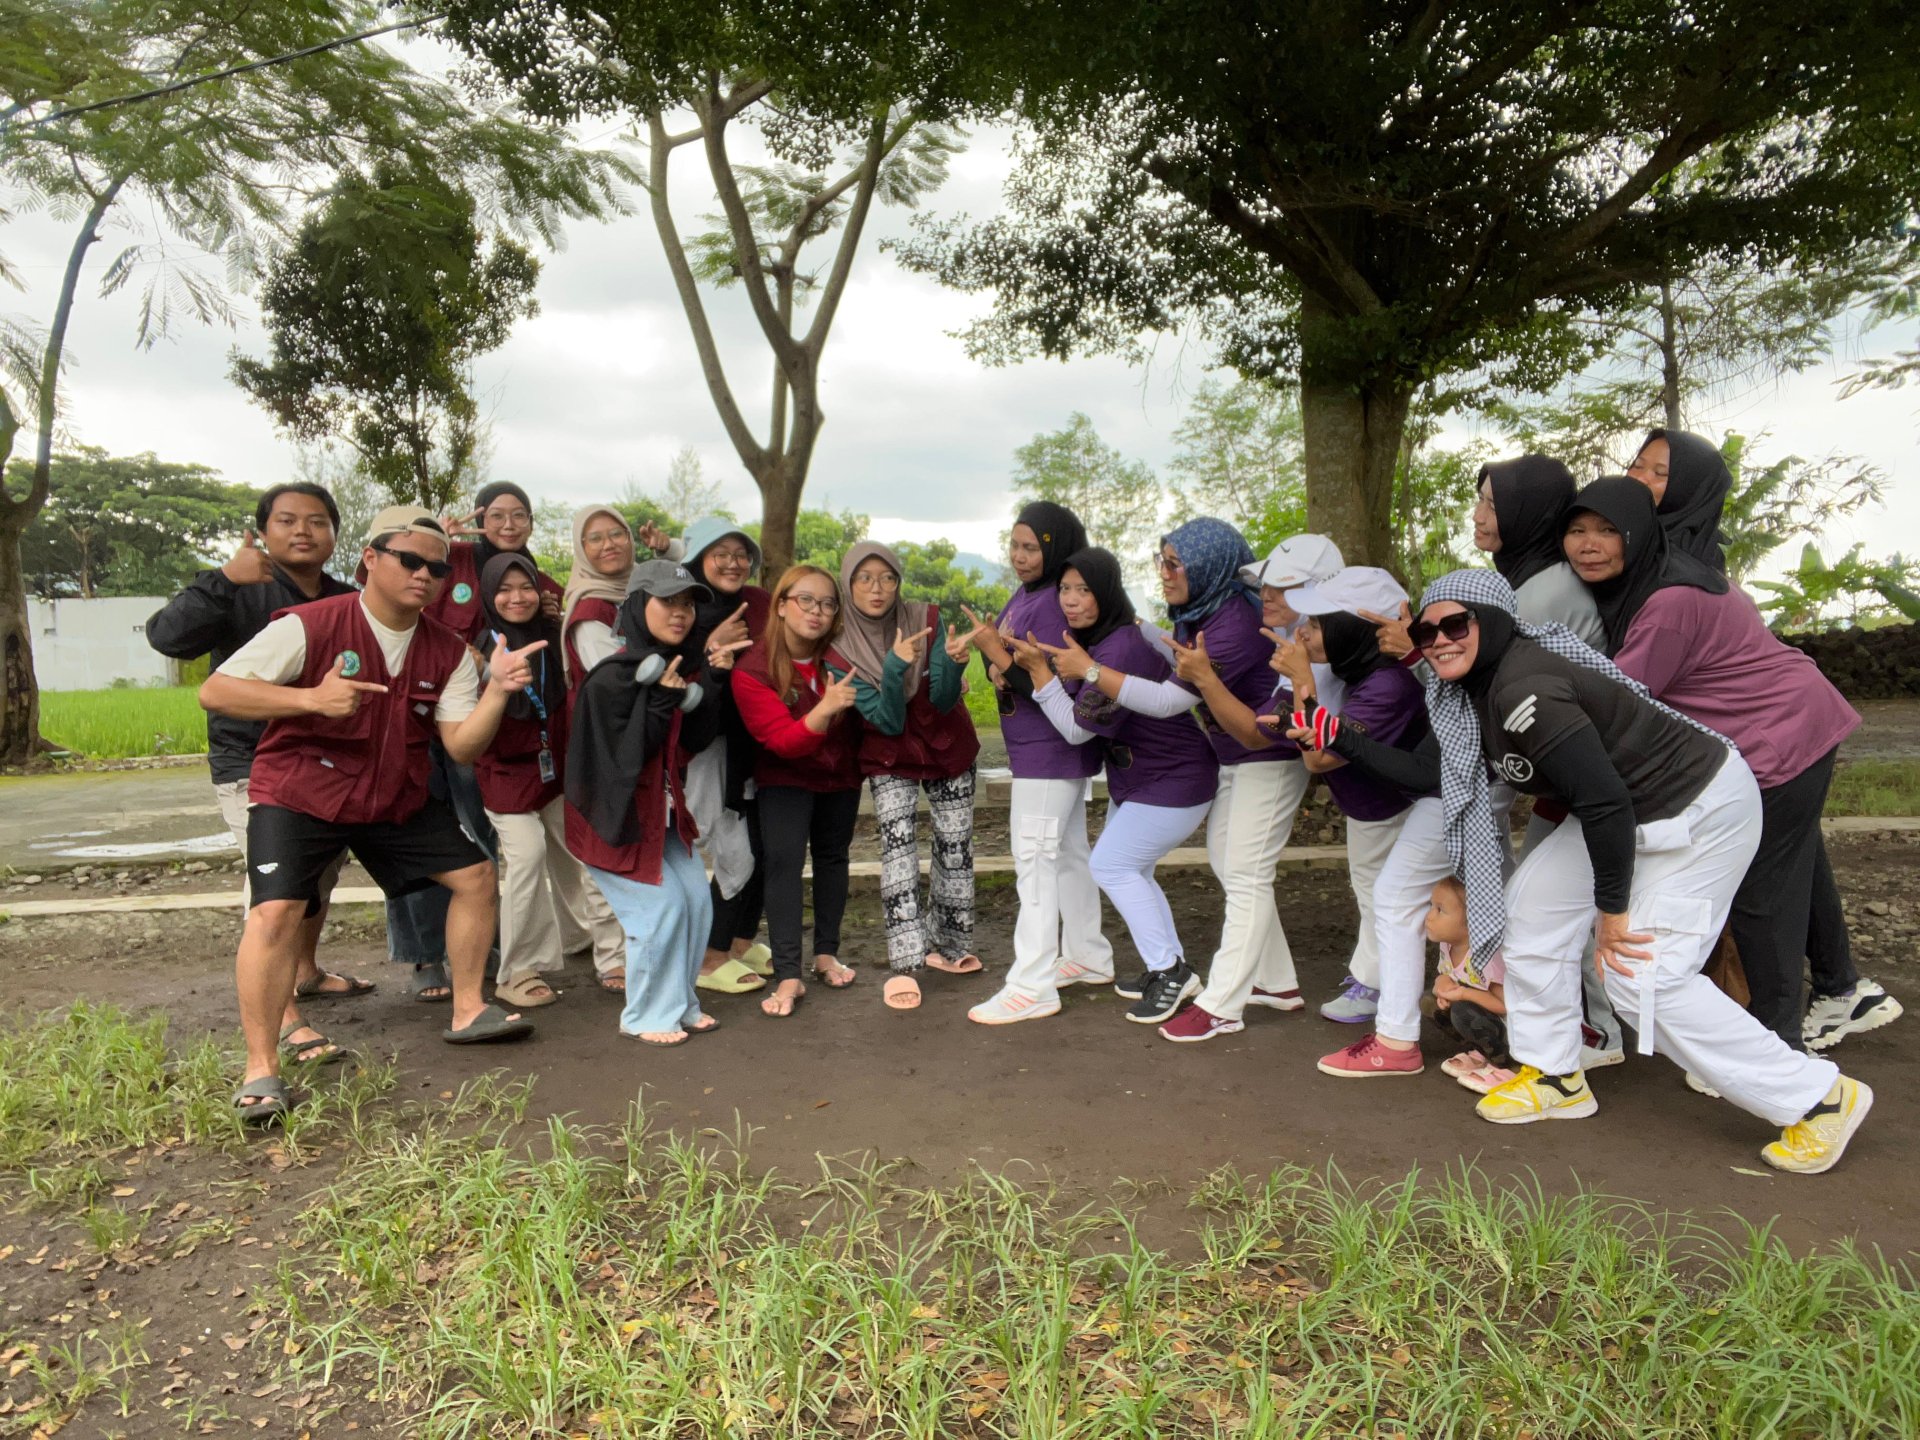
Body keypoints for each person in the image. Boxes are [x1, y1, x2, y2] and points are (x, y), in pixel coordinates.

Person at [1411, 568, 1871, 1175]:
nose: (1439, 638)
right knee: (1534, 908)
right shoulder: (1482, 689)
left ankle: (1819, 1097)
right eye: (1426, 629)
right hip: (1629, 811)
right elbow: (1429, 778)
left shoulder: (1526, 691)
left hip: (1698, 808)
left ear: (1493, 623)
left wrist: (1612, 912)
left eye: (1455, 623)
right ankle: (1556, 1076)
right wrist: (1339, 736)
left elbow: (1604, 803)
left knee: (1639, 975)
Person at [201, 507, 542, 1124]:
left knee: (475, 876)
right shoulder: (309, 625)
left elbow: (461, 746)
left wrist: (496, 691)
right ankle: (261, 1071)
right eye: (409, 560)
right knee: (276, 910)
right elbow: (217, 690)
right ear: (370, 558)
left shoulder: (448, 652)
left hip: (391, 797)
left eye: (435, 568)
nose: (424, 575)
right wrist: (310, 699)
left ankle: (469, 1009)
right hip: (301, 790)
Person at [1564, 477, 1900, 1053]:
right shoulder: (1674, 575)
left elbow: (1623, 702)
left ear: (1638, 535)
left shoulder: (1667, 603)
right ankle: (1842, 991)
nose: (1588, 545)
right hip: (1796, 721)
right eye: (1576, 530)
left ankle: (1776, 1043)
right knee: (1797, 866)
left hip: (1779, 740)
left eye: (1606, 531)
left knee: (1762, 896)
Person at [145, 482, 368, 1067]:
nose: (303, 531)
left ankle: (308, 972)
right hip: (252, 763)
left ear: (334, 534)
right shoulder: (239, 588)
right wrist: (223, 578)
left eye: (317, 521)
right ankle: (285, 1015)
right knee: (275, 891)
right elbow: (168, 638)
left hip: (325, 764)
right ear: (264, 531)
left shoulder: (348, 599)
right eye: (288, 520)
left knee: (319, 879)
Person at [1014, 547, 1218, 1023]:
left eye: (1084, 590)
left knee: (1111, 865)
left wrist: (1040, 675)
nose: (1071, 600)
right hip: (1144, 778)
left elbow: (1076, 730)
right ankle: (1171, 968)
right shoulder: (1104, 640)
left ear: (1106, 591)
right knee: (1133, 870)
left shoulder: (1118, 649)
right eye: (1065, 589)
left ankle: (1168, 970)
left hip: (1176, 778)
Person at [1470, 454, 1618, 1062]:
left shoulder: (1542, 592)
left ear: (1528, 514)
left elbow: (1496, 687)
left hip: (1582, 768)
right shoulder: (1528, 581)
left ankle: (1591, 1035)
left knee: (1548, 909)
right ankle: (1585, 1030)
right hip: (1566, 765)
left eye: (1492, 504)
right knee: (1549, 906)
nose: (1478, 516)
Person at [1144, 518, 1311, 1043]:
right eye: (1162, 561)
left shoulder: (1235, 621)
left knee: (1245, 873)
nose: (1165, 573)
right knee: (1228, 861)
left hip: (1270, 756)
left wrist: (1095, 671)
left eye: (1175, 564)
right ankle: (1277, 982)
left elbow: (1175, 696)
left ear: (1208, 567)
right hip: (1234, 756)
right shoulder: (1197, 613)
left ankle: (1222, 1003)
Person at [955, 503, 1113, 1024]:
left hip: (1049, 753)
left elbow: (1047, 681)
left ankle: (1033, 984)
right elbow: (1012, 669)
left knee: (1035, 863)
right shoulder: (1027, 594)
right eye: (1015, 545)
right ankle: (1087, 956)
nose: (1020, 557)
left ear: (1055, 546)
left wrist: (997, 658)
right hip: (1040, 751)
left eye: (1031, 547)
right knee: (1066, 855)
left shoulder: (1049, 603)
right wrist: (993, 656)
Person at [564, 560, 731, 1044]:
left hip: (657, 819)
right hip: (611, 822)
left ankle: (679, 1004)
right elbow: (620, 764)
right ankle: (645, 1016)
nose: (680, 613)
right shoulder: (613, 679)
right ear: (638, 606)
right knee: (659, 912)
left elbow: (693, 742)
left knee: (697, 902)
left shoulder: (675, 670)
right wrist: (659, 702)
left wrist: (713, 684)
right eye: (667, 602)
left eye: (686, 604)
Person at [1265, 567, 1428, 1034]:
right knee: (1372, 892)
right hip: (1370, 806)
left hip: (1393, 809)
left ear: (1351, 629)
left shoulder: (1389, 685)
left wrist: (1302, 682)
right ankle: (1370, 976)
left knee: (1387, 898)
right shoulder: (1360, 671)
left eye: (1316, 625)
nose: (1303, 633)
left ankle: (1379, 987)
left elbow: (1319, 757)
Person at [474, 553, 627, 1006]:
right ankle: (518, 969)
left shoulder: (553, 636)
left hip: (556, 769)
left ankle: (589, 941)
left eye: (526, 587)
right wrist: (494, 679)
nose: (516, 597)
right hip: (504, 775)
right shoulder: (478, 647)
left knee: (581, 852)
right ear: (488, 594)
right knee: (528, 855)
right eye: (504, 589)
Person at [840, 541, 982, 1010]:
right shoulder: (840, 645)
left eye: (887, 578)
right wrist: (896, 665)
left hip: (946, 745)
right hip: (889, 752)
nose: (877, 589)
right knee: (898, 850)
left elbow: (942, 699)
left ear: (899, 581)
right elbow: (886, 720)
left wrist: (951, 663)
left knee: (955, 843)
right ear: (849, 582)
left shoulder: (928, 618)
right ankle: (906, 961)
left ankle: (951, 944)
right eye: (865, 578)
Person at [729, 565, 864, 1018]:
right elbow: (782, 742)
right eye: (805, 600)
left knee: (833, 858)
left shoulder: (841, 657)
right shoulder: (752, 668)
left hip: (839, 774)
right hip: (784, 777)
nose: (817, 611)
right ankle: (789, 972)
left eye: (827, 603)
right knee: (784, 865)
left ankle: (826, 952)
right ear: (782, 605)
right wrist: (824, 710)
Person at [1423, 877, 1514, 1095]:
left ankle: (1505, 1063)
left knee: (1463, 1011)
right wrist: (1442, 986)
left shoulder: (1488, 958)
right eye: (1431, 907)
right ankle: (1480, 1052)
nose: (1429, 916)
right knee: (1429, 1002)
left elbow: (1504, 1005)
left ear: (1472, 921)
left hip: (1510, 1029)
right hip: (1483, 1018)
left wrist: (1463, 993)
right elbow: (1445, 974)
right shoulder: (1448, 944)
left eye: (1440, 910)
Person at [1625, 429, 1732, 572]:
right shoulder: (1619, 533)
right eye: (1637, 466)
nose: (1640, 478)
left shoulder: (1688, 565)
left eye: (1660, 473)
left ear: (1688, 490)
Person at [559, 505, 635, 681]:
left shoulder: (643, 583)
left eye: (617, 534)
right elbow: (616, 681)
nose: (609, 545)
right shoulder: (591, 612)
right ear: (581, 548)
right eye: (595, 539)